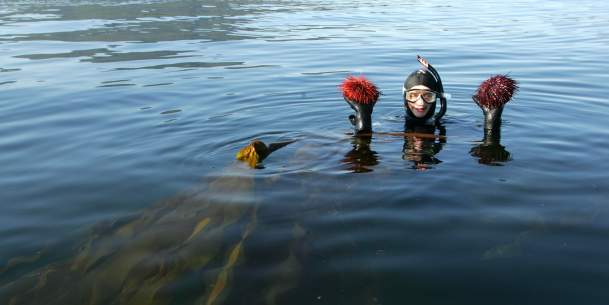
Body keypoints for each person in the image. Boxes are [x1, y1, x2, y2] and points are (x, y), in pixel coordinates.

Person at [403, 55, 447, 125]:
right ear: (405, 97)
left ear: (435, 97)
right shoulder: (386, 124)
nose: (421, 103)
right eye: (413, 95)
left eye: (428, 95)